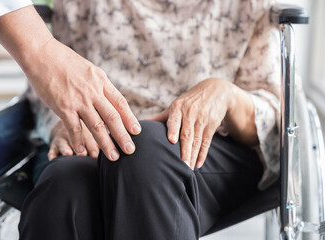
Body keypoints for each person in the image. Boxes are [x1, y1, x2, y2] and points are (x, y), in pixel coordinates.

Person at [17, 0, 281, 239]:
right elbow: (50, 79)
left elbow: (273, 117)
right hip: (100, 138)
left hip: (211, 146)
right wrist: (64, 122)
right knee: (63, 184)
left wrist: (226, 95)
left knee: (143, 150)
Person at [0, 0, 142, 161]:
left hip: (159, 127)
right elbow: (52, 81)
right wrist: (59, 123)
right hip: (69, 123)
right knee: (65, 178)